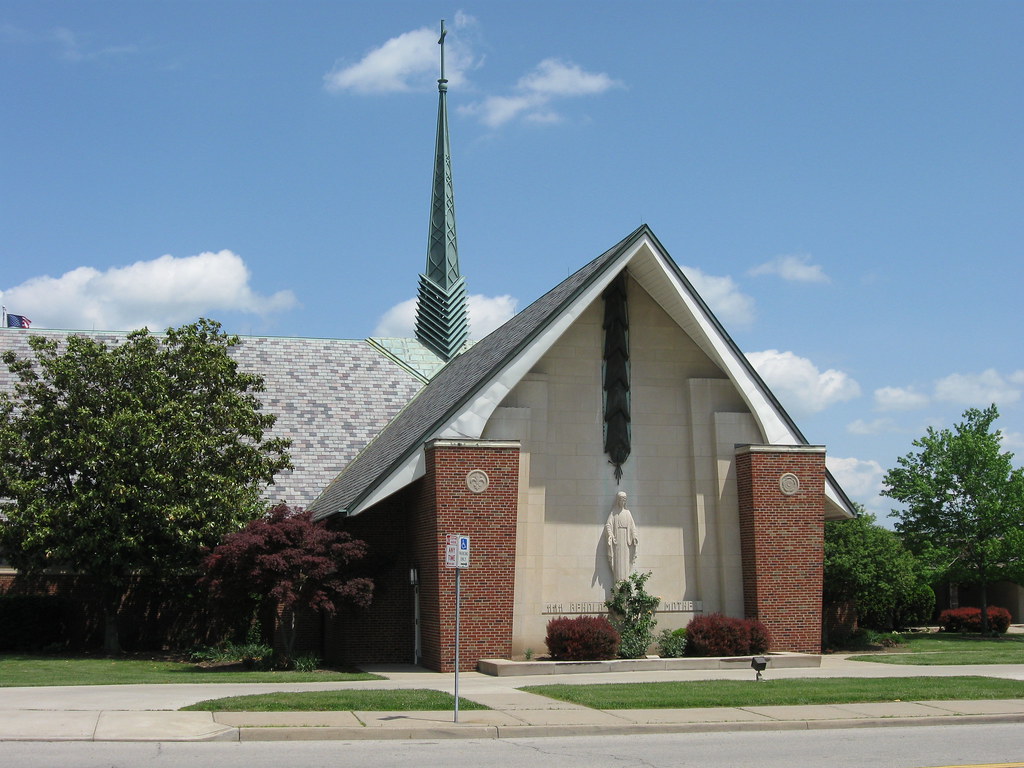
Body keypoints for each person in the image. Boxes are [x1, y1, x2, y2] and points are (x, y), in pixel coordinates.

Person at [605, 491, 638, 582]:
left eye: (624, 500)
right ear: (618, 500)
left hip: (626, 540)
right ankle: (618, 581)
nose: (623, 502)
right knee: (618, 561)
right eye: (621, 500)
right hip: (617, 539)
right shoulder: (613, 512)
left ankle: (625, 581)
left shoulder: (628, 513)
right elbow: (608, 525)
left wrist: (634, 537)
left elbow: (632, 527)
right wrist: (611, 535)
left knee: (625, 561)